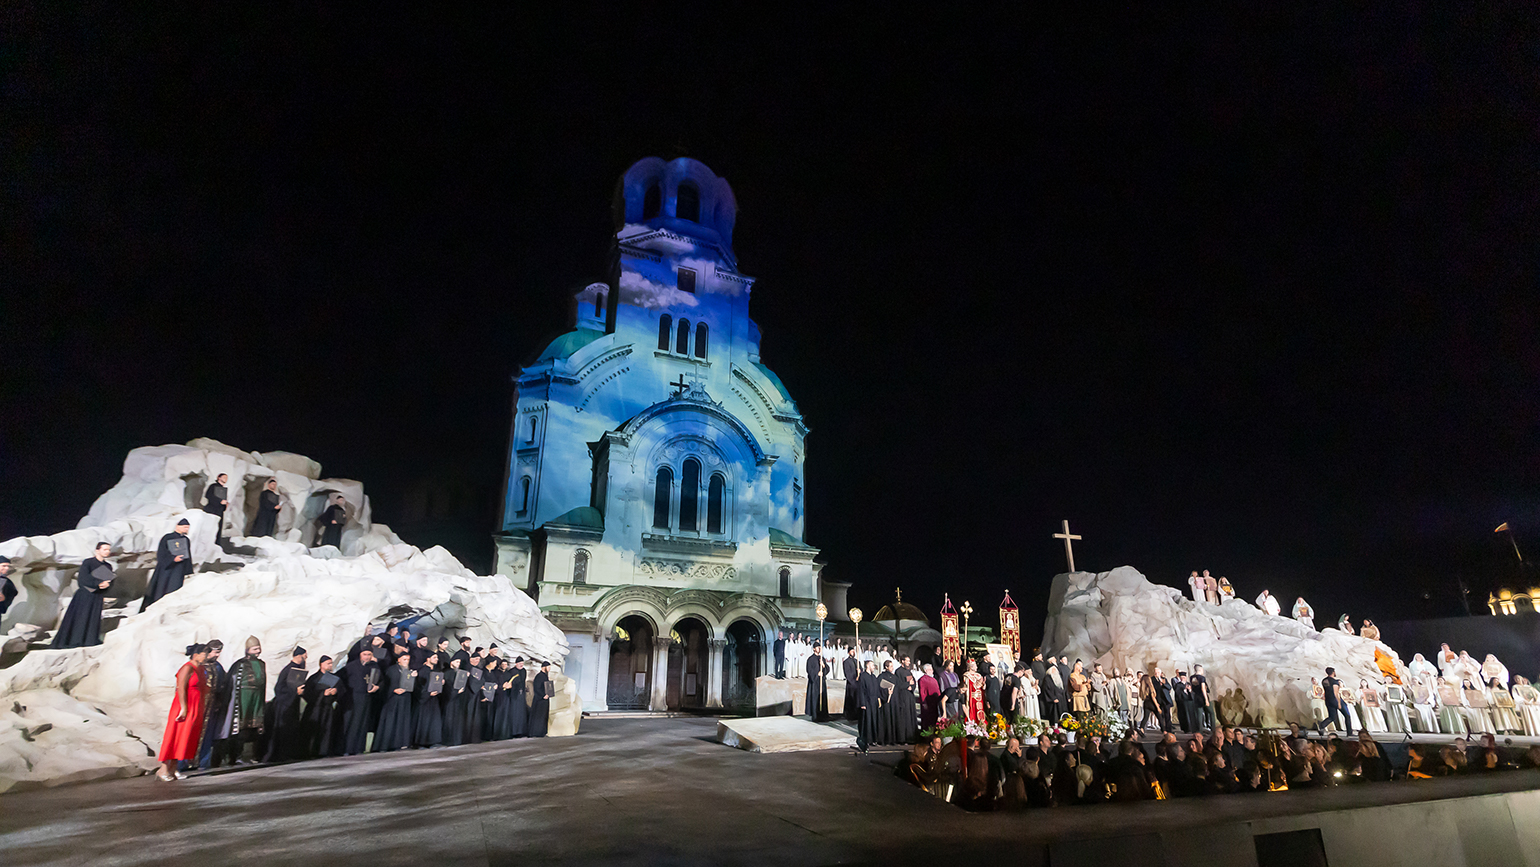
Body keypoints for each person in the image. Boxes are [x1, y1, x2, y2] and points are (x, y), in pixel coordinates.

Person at [156, 643, 211, 782]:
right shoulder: (187, 668)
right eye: (205, 653)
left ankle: (174, 768)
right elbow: (181, 688)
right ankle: (163, 769)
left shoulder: (201, 669)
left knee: (184, 737)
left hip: (196, 706)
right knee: (175, 736)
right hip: (184, 706)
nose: (207, 656)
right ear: (196, 654)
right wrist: (183, 707)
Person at [51, 542, 114, 649]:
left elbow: (109, 581)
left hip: (97, 596)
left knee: (93, 618)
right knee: (81, 617)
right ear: (97, 550)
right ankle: (75, 640)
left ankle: (89, 640)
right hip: (84, 595)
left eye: (108, 550)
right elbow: (83, 579)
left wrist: (107, 585)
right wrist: (98, 583)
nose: (107, 552)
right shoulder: (88, 562)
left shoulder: (108, 566)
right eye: (105, 549)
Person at [221, 635, 267, 763]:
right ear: (247, 650)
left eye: (259, 648)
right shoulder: (240, 664)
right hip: (243, 698)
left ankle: (254, 755)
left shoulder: (262, 664)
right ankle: (236, 756)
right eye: (254, 649)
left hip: (256, 698)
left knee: (257, 726)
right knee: (240, 726)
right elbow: (232, 681)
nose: (257, 651)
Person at [265, 646, 308, 761]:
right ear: (299, 656)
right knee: (283, 731)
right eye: (305, 656)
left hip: (291, 704)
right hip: (284, 705)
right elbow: (279, 688)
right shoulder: (288, 669)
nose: (306, 659)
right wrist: (295, 692)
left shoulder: (296, 669)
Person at [141, 519, 194, 610]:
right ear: (178, 526)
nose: (186, 529)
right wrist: (173, 559)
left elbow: (188, 555)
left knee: (175, 588)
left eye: (188, 528)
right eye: (185, 527)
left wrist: (187, 571)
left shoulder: (185, 539)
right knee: (162, 588)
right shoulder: (167, 537)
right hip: (166, 569)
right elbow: (162, 553)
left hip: (179, 569)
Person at [195, 639, 231, 769]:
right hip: (197, 706)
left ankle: (203, 762)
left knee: (208, 735)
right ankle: (184, 762)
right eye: (215, 652)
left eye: (219, 653)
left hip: (212, 707)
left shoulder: (218, 667)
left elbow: (223, 685)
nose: (217, 655)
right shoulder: (198, 665)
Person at [342, 647, 381, 755]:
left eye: (369, 654)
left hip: (367, 699)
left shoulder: (375, 666)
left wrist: (377, 687)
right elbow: (341, 679)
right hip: (353, 699)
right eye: (365, 654)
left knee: (363, 724)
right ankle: (347, 749)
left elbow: (381, 681)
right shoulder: (351, 666)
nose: (367, 657)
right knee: (352, 724)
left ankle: (359, 748)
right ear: (360, 654)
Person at [373, 652, 416, 752]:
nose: (406, 662)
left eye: (408, 660)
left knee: (402, 721)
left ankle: (400, 744)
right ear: (399, 660)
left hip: (404, 699)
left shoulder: (409, 671)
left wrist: (413, 677)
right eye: (404, 659)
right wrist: (394, 690)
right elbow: (386, 684)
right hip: (392, 699)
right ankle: (385, 745)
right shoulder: (392, 670)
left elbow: (411, 686)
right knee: (390, 722)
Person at [303, 655, 342, 758]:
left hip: (327, 708)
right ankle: (312, 751)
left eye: (331, 663)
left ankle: (324, 751)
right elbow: (307, 693)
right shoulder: (313, 678)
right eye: (328, 663)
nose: (330, 665)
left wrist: (335, 692)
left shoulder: (334, 678)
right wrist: (322, 694)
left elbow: (342, 691)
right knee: (314, 730)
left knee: (327, 730)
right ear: (321, 664)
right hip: (315, 709)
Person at [856, 660, 883, 751]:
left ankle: (873, 739)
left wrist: (878, 699)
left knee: (874, 720)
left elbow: (877, 689)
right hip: (867, 701)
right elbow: (861, 690)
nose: (874, 666)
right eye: (872, 665)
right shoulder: (863, 676)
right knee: (867, 721)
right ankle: (866, 739)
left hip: (874, 701)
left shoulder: (874, 677)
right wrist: (862, 703)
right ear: (867, 666)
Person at [1320, 667, 1353, 735]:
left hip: (1328, 700)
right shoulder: (1334, 681)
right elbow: (1336, 693)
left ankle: (1322, 725)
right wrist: (1339, 703)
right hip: (1335, 700)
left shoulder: (1324, 681)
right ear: (1333, 672)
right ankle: (1349, 732)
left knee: (1332, 717)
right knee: (1347, 715)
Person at [528, 660, 553, 737]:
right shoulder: (539, 676)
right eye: (548, 667)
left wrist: (549, 694)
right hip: (540, 700)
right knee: (539, 716)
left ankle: (542, 732)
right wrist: (543, 695)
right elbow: (537, 688)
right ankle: (536, 732)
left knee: (544, 716)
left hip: (545, 700)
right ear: (543, 668)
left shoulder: (545, 676)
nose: (549, 669)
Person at [804, 642, 828, 720]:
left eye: (820, 647)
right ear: (814, 649)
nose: (819, 649)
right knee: (815, 699)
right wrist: (817, 674)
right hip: (814, 682)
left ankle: (823, 715)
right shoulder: (810, 659)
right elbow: (809, 670)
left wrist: (823, 666)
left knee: (822, 698)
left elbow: (827, 669)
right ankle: (815, 716)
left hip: (821, 681)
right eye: (818, 647)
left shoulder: (822, 658)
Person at [202, 473, 229, 543]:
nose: (226, 479)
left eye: (226, 478)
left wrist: (225, 505)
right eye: (224, 477)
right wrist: (220, 501)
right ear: (219, 478)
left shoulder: (223, 489)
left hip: (219, 510)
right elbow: (209, 496)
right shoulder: (213, 486)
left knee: (218, 528)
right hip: (212, 509)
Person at [960, 658, 987, 725]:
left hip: (979, 698)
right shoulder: (967, 675)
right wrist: (978, 683)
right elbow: (969, 687)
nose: (976, 667)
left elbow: (982, 687)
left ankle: (981, 725)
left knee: (980, 712)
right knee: (973, 712)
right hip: (972, 698)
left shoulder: (978, 675)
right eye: (975, 665)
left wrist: (983, 684)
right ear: (971, 667)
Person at [918, 663, 942, 731]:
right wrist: (924, 703)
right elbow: (922, 692)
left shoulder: (934, 679)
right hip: (928, 703)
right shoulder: (922, 679)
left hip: (935, 703)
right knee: (927, 721)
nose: (932, 671)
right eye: (930, 669)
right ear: (925, 670)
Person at [1189, 665, 1213, 731]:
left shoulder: (1192, 677)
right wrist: (1206, 700)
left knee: (1199, 714)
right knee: (1211, 712)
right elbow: (1203, 689)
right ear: (1200, 670)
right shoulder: (1202, 678)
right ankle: (1213, 729)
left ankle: (1199, 730)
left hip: (1196, 697)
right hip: (1202, 697)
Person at [842, 646, 862, 721]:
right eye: (851, 651)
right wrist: (853, 680)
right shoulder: (846, 662)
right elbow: (847, 673)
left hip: (858, 684)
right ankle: (850, 715)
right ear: (848, 652)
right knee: (851, 699)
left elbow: (861, 671)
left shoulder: (857, 661)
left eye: (854, 651)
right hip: (851, 685)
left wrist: (859, 673)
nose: (853, 652)